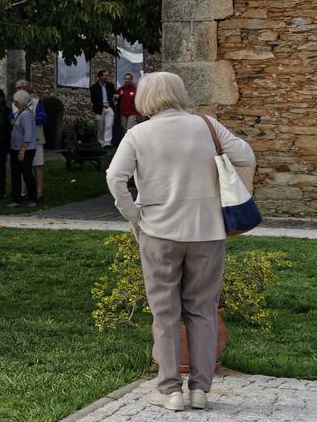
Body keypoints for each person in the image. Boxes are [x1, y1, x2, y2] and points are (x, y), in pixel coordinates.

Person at [105, 72, 255, 412]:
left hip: (158, 231)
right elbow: (247, 156)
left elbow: (115, 177)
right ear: (179, 93)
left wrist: (133, 214)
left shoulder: (137, 134)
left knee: (165, 310)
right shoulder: (207, 125)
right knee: (203, 309)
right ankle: (200, 389)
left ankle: (169, 389)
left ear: (144, 97)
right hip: (208, 231)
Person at [12, 79, 46, 195]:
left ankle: (39, 191)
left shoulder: (36, 103)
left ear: (27, 88)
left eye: (19, 88)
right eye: (16, 88)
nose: (17, 90)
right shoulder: (14, 104)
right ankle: (22, 192)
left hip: (35, 139)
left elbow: (43, 118)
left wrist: (27, 121)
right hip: (20, 142)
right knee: (22, 168)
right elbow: (10, 118)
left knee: (36, 165)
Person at [8, 90, 38, 207]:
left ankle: (33, 198)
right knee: (16, 174)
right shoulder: (21, 113)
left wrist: (22, 151)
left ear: (17, 102)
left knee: (26, 174)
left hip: (24, 149)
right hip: (17, 148)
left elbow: (28, 134)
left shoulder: (25, 114)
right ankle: (16, 198)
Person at [90, 70, 117, 148]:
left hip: (109, 107)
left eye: (107, 75)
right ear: (100, 77)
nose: (107, 77)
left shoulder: (110, 85)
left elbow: (113, 93)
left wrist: (115, 95)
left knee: (109, 125)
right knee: (100, 127)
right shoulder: (94, 87)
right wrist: (102, 104)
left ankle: (107, 143)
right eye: (105, 75)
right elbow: (93, 100)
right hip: (99, 108)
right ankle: (101, 142)